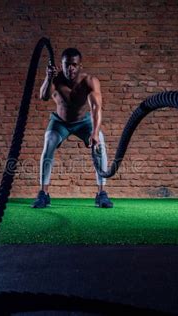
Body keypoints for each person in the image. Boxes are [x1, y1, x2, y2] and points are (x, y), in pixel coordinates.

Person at [31, 48, 113, 208]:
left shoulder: (89, 81)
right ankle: (43, 193)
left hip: (84, 122)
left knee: (100, 145)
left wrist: (95, 133)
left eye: (74, 65)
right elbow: (44, 96)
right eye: (67, 65)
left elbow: (96, 108)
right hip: (60, 122)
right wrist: (48, 77)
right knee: (49, 143)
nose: (70, 68)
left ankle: (101, 193)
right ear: (61, 65)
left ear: (80, 65)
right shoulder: (55, 80)